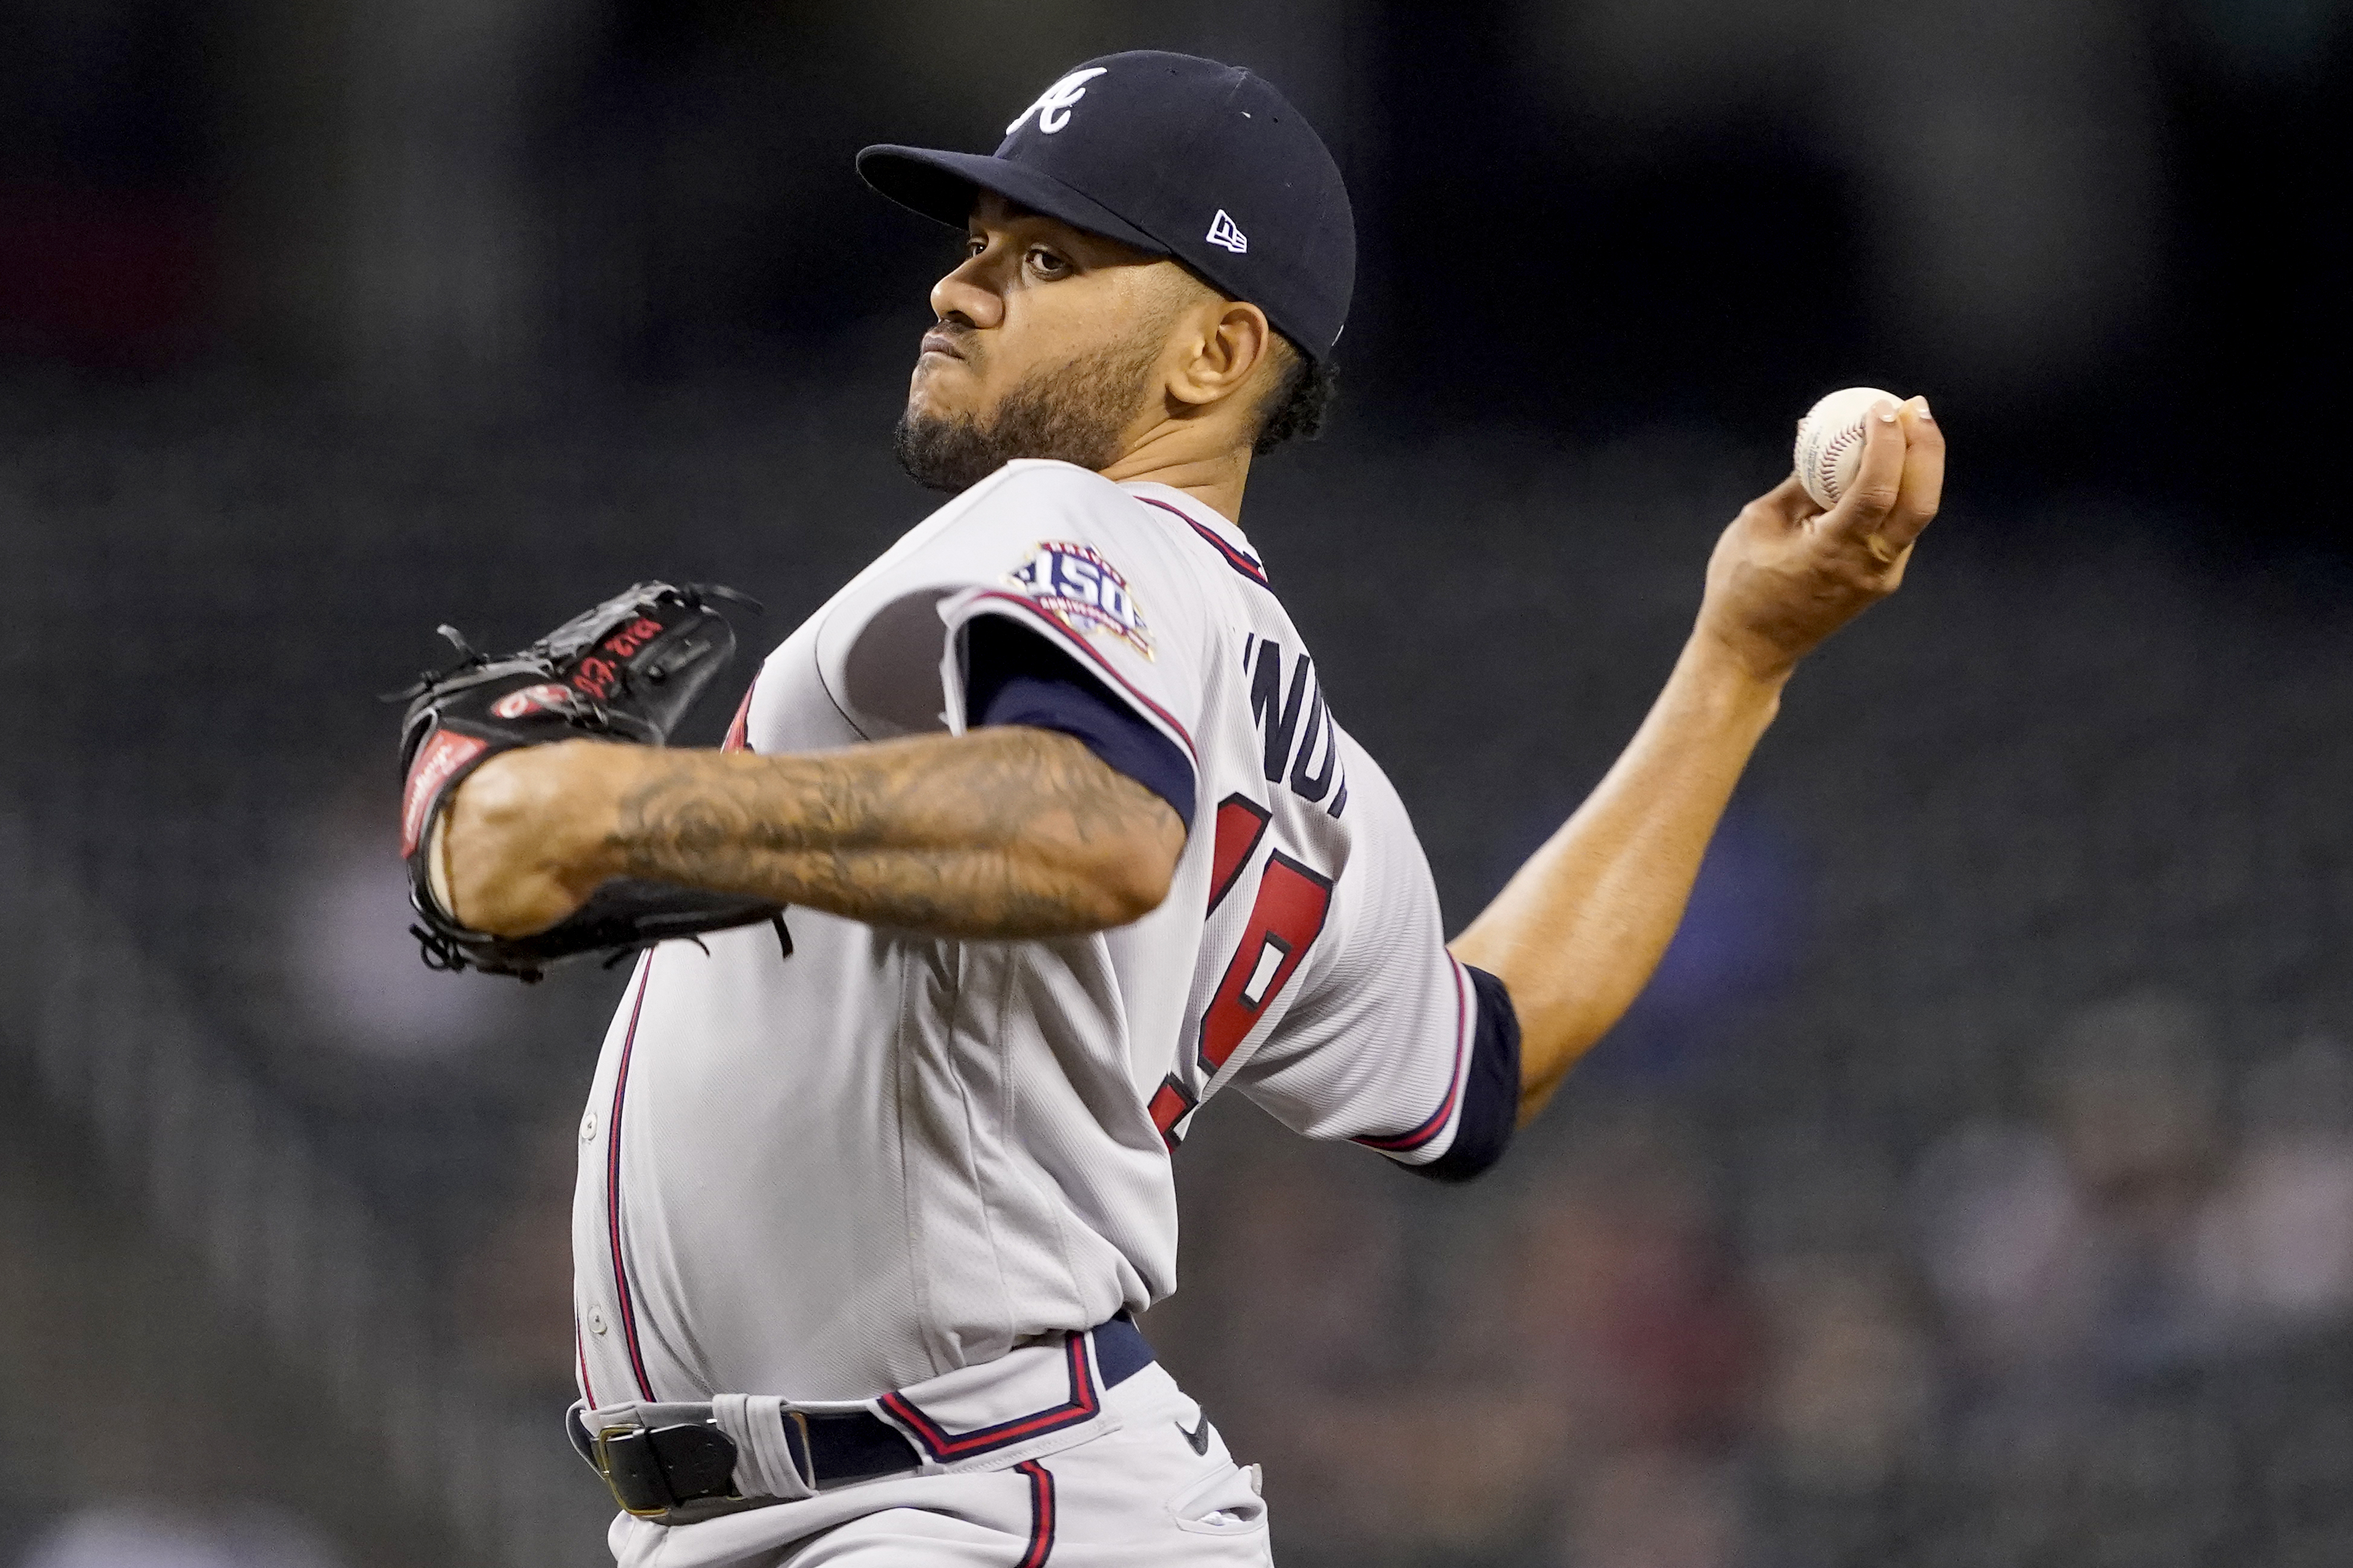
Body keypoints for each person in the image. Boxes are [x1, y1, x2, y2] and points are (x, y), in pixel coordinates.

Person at [431, 50, 1943, 1567]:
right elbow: (1489, 1056)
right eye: (971, 250)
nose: (961, 292)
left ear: (1216, 355)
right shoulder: (1310, 775)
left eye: (1046, 258)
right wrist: (1737, 663)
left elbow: (1090, 826)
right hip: (933, 1502)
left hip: (963, 1507)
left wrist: (597, 806)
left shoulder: (1068, 517)